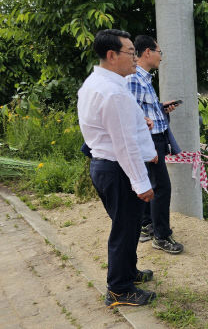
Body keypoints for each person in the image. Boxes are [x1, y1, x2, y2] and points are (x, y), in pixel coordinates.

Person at [77, 29, 158, 307]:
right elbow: (124, 145)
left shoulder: (98, 83)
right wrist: (141, 182)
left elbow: (112, 127)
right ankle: (119, 289)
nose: (135, 58)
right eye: (131, 52)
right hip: (117, 169)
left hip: (106, 166)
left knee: (129, 226)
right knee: (124, 229)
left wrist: (141, 123)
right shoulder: (112, 92)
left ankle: (128, 272)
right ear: (111, 56)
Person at [126, 35, 184, 254]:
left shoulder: (144, 79)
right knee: (161, 187)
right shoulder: (134, 79)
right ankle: (161, 235)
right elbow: (130, 115)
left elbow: (142, 109)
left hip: (155, 139)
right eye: (160, 52)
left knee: (151, 184)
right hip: (149, 141)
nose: (161, 57)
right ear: (148, 52)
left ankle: (147, 224)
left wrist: (160, 108)